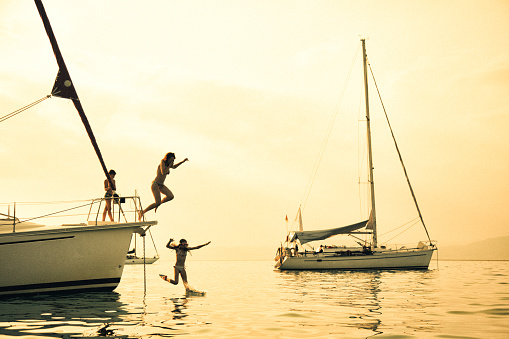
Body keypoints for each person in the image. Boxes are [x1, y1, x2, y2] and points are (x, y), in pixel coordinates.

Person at [139, 152, 188, 220]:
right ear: (167, 158)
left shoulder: (169, 164)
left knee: (171, 196)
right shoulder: (162, 162)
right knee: (157, 202)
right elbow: (163, 172)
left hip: (161, 185)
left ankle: (159, 204)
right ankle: (142, 212)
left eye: (173, 160)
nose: (172, 161)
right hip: (155, 184)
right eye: (171, 159)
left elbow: (174, 167)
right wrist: (168, 166)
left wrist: (183, 161)